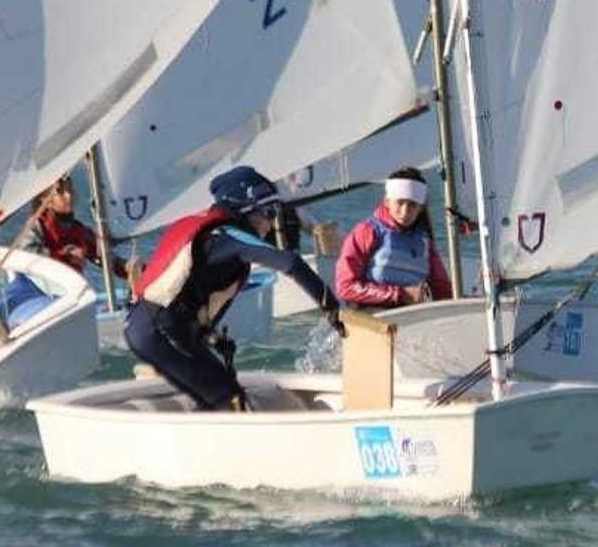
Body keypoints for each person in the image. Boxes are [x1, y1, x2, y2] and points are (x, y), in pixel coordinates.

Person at [126, 165, 341, 411]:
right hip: (158, 330)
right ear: (245, 211)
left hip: (150, 326)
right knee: (228, 397)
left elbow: (186, 299)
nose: (272, 224)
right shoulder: (231, 237)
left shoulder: (212, 235)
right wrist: (332, 309)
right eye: (269, 212)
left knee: (218, 385)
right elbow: (291, 262)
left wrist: (209, 337)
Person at [335, 167, 454, 309]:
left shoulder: (425, 242)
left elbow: (442, 290)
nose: (405, 211)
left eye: (412, 205)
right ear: (387, 201)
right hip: (372, 320)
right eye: (400, 202)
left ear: (420, 208)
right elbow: (345, 287)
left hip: (413, 319)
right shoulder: (366, 231)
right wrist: (399, 294)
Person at [32, 175, 134, 283]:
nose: (69, 195)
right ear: (44, 201)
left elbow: (102, 257)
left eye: (70, 189)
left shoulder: (78, 229)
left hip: (70, 293)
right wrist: (67, 255)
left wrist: (128, 268)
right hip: (39, 291)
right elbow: (27, 255)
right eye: (60, 192)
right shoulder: (37, 226)